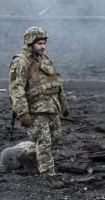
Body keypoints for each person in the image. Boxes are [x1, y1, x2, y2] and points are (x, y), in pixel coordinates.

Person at [8, 26, 68, 189]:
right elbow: (17, 89)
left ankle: (26, 155)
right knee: (44, 142)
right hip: (35, 111)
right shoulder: (20, 62)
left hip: (51, 108)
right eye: (39, 43)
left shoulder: (45, 59)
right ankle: (49, 176)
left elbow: (56, 82)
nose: (43, 46)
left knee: (55, 137)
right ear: (30, 43)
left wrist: (63, 103)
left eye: (44, 43)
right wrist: (23, 112)